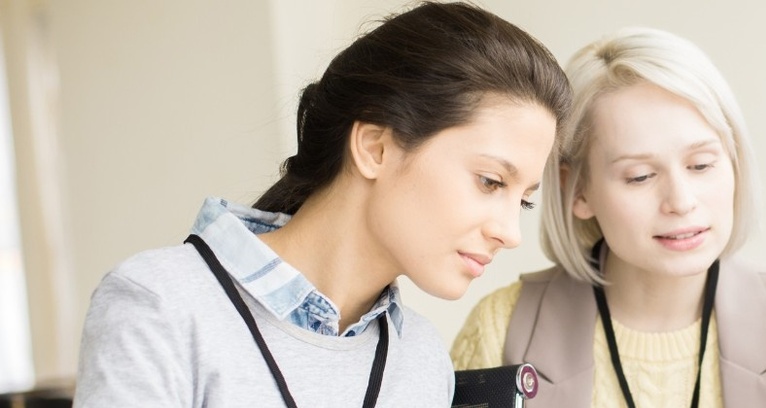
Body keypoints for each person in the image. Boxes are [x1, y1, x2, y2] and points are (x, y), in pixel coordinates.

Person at [73, 3, 570, 407]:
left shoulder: (419, 358)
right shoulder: (161, 304)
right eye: (489, 182)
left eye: (523, 201)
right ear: (375, 147)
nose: (511, 232)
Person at [450, 27, 766, 407]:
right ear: (576, 190)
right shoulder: (500, 328)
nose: (681, 202)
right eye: (640, 176)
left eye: (701, 165)